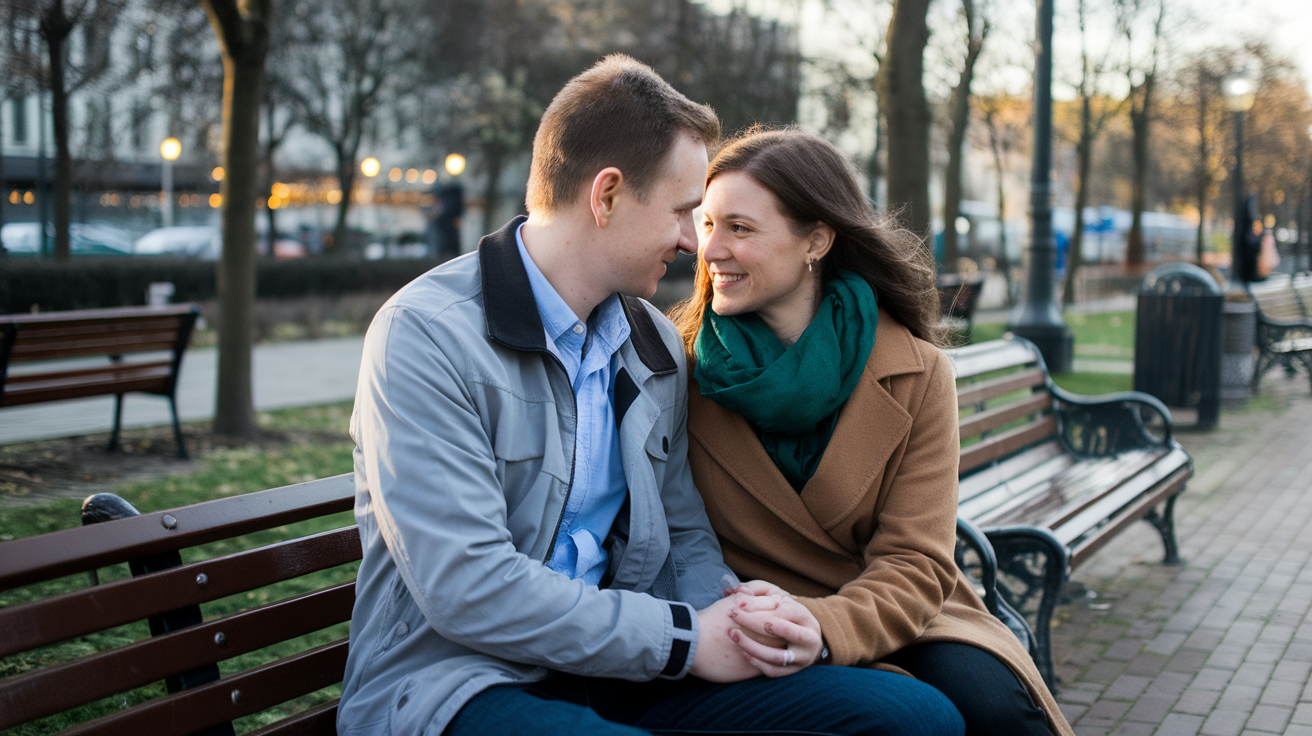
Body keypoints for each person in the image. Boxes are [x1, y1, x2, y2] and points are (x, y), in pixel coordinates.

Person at [339, 57, 965, 736]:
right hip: (458, 681)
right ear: (606, 196)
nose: (692, 243)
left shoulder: (652, 346)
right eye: (685, 213)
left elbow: (685, 533)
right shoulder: (427, 336)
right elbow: (468, 586)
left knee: (913, 718)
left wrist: (732, 622)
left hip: (619, 667)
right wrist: (686, 639)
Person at [671, 127, 1075, 736]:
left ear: (816, 240)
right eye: (706, 224)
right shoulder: (680, 369)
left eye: (740, 228)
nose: (710, 250)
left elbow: (915, 560)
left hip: (898, 609)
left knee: (997, 711)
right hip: (751, 622)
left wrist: (827, 627)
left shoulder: (915, 371)